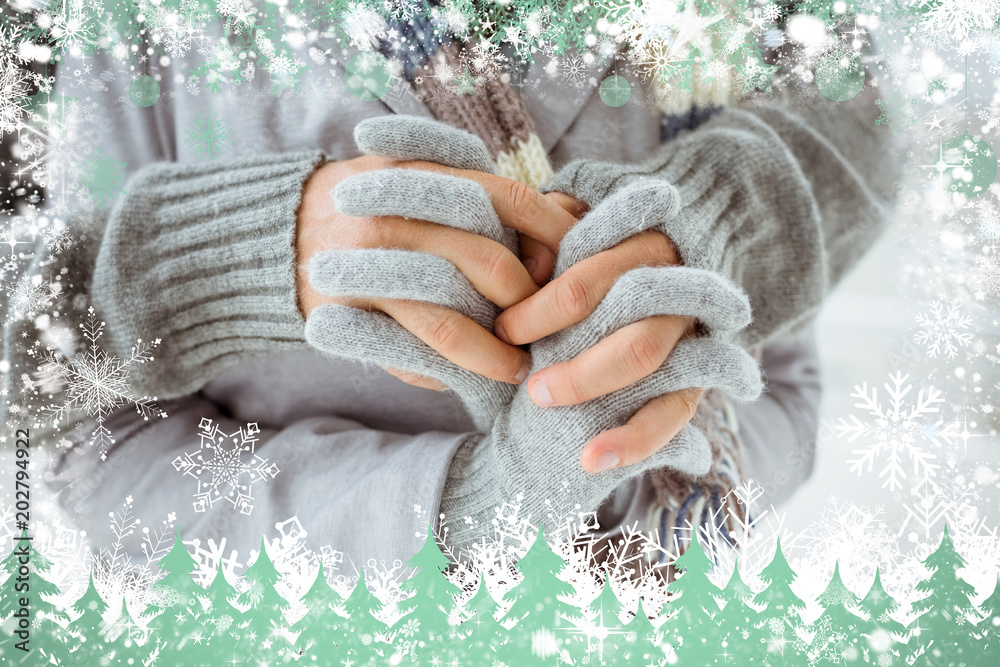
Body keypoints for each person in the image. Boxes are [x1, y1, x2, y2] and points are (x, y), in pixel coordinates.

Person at [0, 1, 899, 570]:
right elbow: (87, 434)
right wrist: (470, 514)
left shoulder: (727, 36)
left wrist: (727, 219)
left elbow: (780, 376)